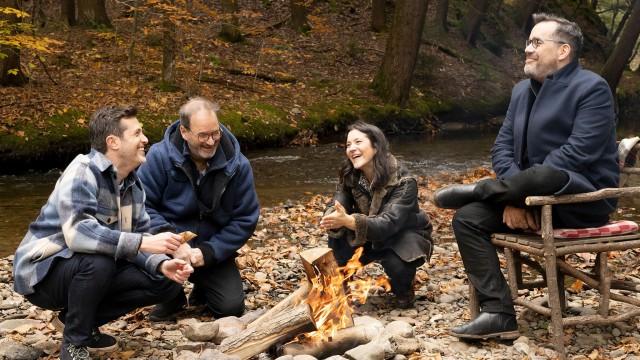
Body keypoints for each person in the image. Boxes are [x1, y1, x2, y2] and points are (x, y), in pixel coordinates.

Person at [433, 13, 618, 340]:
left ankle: (483, 189)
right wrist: (517, 197)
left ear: (563, 51)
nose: (526, 49)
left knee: (548, 172)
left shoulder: (592, 88)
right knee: (467, 219)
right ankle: (498, 314)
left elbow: (577, 153)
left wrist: (520, 194)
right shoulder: (521, 91)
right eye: (528, 42)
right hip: (527, 195)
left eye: (535, 42)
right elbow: (502, 147)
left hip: (581, 198)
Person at [12, 106, 193, 360]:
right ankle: (74, 345)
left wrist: (162, 264)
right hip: (42, 274)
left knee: (164, 281)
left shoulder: (134, 184)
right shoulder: (82, 171)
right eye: (137, 133)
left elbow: (138, 241)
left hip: (88, 268)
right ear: (113, 142)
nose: (145, 139)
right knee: (99, 259)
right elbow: (79, 234)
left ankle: (78, 323)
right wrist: (144, 242)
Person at [137, 97, 260, 321]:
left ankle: (202, 288)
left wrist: (209, 252)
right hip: (167, 245)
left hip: (211, 250)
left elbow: (245, 218)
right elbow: (143, 208)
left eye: (216, 133)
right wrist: (174, 244)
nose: (211, 141)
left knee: (229, 308)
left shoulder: (238, 165)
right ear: (184, 132)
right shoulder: (158, 157)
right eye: (203, 135)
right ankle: (171, 298)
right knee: (138, 264)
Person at [320, 121, 433, 309]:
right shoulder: (350, 174)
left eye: (358, 142)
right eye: (348, 145)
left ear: (376, 146)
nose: (352, 149)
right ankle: (339, 290)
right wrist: (332, 216)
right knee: (337, 238)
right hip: (369, 234)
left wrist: (350, 220)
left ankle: (404, 288)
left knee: (397, 266)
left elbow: (387, 224)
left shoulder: (404, 181)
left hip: (402, 235)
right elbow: (338, 201)